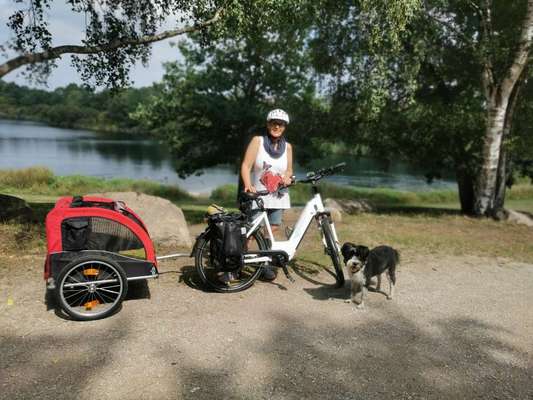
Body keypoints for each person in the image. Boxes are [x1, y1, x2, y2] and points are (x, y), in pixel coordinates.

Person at [240, 108, 293, 281]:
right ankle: (236, 263)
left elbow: (289, 169)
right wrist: (248, 185)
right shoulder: (258, 141)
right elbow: (246, 166)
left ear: (285, 127)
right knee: (250, 231)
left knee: (272, 230)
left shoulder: (288, 148)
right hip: (258, 195)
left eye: (281, 124)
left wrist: (287, 177)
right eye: (274, 123)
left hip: (278, 196)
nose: (277, 126)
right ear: (268, 124)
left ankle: (263, 264)